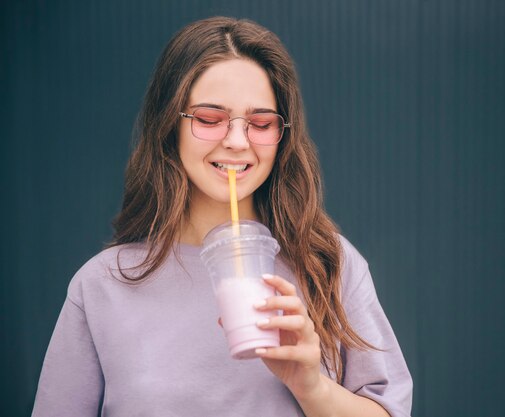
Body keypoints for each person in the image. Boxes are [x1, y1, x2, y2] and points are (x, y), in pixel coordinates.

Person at [32, 16, 412, 417]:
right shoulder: (102, 285)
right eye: (210, 119)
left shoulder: (329, 263)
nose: (236, 141)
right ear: (169, 125)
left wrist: (311, 386)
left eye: (261, 123)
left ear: (282, 136)